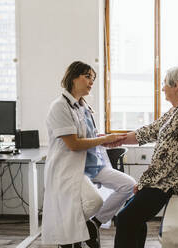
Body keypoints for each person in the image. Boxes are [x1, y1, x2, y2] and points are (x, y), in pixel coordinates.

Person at [109, 65, 178, 248]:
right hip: (168, 177)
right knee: (132, 217)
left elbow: (166, 158)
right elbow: (149, 131)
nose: (162, 88)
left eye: (164, 84)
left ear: (175, 85)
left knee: (125, 218)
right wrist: (116, 140)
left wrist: (144, 183)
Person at [42, 61, 136, 248]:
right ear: (73, 77)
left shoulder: (83, 106)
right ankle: (69, 235)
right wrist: (104, 139)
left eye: (93, 78)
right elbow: (74, 144)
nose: (91, 82)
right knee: (93, 202)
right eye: (87, 77)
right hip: (71, 168)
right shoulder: (60, 106)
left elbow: (88, 137)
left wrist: (107, 139)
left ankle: (93, 224)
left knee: (129, 185)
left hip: (93, 164)